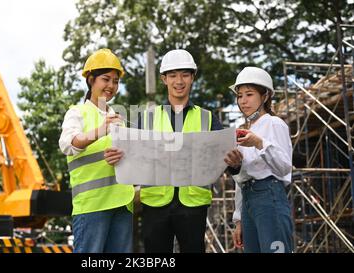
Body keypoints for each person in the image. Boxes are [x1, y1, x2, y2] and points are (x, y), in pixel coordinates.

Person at [105, 49, 241, 253]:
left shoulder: (209, 118)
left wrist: (236, 163)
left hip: (193, 205)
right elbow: (133, 158)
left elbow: (226, 161)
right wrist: (117, 158)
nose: (179, 81)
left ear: (193, 77)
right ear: (164, 79)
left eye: (185, 74)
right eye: (173, 75)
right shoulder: (147, 118)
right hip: (155, 204)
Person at [59, 48, 135, 253]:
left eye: (116, 81)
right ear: (91, 80)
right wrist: (100, 131)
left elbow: (131, 160)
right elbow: (67, 144)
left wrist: (124, 157)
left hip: (122, 205)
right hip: (92, 207)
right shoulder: (78, 113)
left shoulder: (120, 120)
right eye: (105, 79)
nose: (111, 85)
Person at [226, 66, 294, 253]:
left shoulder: (274, 123)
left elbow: (285, 167)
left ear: (265, 96)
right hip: (248, 198)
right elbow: (241, 180)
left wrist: (259, 142)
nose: (243, 101)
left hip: (269, 194)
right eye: (239, 96)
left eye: (249, 94)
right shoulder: (243, 130)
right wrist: (238, 219)